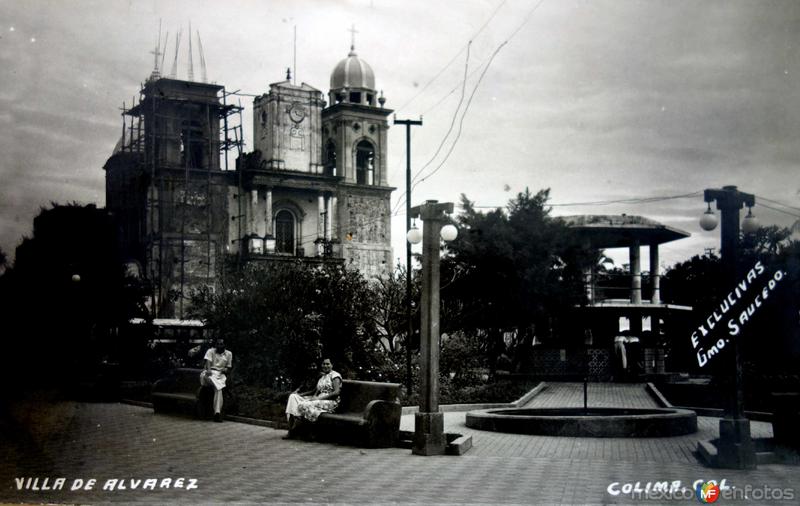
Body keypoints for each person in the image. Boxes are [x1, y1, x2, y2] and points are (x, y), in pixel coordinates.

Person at [285, 358, 342, 431]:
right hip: (319, 399)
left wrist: (318, 398)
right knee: (293, 397)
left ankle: (302, 429)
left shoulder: (335, 375)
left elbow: (336, 392)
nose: (325, 366)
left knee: (303, 405)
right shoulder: (322, 377)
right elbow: (314, 391)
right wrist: (300, 395)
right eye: (323, 364)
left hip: (331, 402)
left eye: (327, 364)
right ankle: (292, 427)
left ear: (332, 365)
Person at [200, 338, 233, 422]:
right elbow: (208, 363)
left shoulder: (229, 354)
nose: (219, 345)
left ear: (224, 345)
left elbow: (229, 368)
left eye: (221, 344)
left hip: (220, 375)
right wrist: (208, 370)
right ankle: (217, 413)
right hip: (209, 374)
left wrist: (225, 370)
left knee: (218, 390)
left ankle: (217, 413)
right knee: (218, 385)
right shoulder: (210, 351)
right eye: (217, 344)